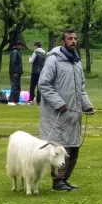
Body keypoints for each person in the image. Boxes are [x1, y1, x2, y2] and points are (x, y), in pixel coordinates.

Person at [38, 30, 95, 192]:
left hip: (73, 114)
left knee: (74, 148)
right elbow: (44, 84)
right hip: (56, 114)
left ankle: (64, 179)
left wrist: (87, 106)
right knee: (59, 149)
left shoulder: (76, 62)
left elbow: (81, 89)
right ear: (63, 41)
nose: (73, 41)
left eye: (76, 38)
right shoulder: (53, 60)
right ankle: (57, 182)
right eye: (70, 38)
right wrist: (58, 103)